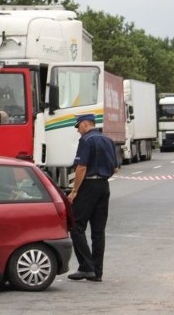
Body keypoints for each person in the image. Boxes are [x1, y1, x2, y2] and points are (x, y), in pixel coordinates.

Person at [67, 113, 118, 283]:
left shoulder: (87, 140)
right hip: (104, 186)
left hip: (88, 186)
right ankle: (97, 272)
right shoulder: (108, 141)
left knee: (76, 226)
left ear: (84, 124)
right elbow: (116, 168)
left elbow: (81, 168)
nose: (78, 131)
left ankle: (86, 266)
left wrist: (74, 191)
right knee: (98, 231)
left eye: (78, 127)